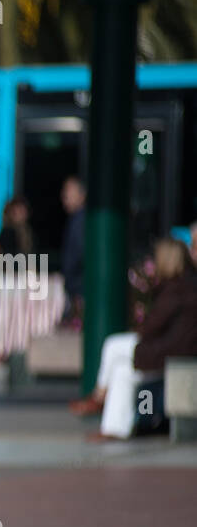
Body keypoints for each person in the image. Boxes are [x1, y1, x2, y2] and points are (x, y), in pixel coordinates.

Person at [72, 237, 197, 440]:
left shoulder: (176, 291)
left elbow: (151, 329)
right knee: (122, 372)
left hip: (172, 354)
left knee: (114, 346)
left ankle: (100, 396)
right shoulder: (183, 287)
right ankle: (115, 428)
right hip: (173, 351)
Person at [59, 176, 86, 327]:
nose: (64, 196)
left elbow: (80, 254)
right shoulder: (75, 220)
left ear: (82, 195)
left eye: (68, 191)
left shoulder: (81, 221)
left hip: (79, 288)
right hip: (75, 287)